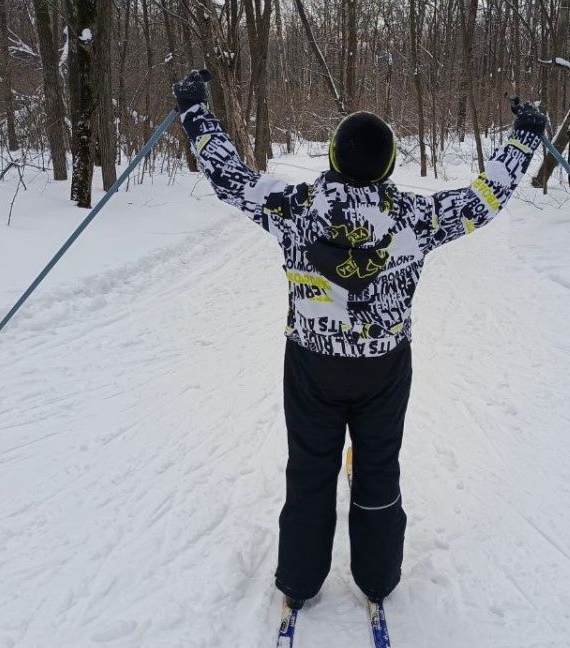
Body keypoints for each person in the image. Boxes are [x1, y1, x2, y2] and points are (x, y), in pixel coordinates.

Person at [172, 70, 547, 609]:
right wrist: (525, 137)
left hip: (311, 364)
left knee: (310, 469)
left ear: (332, 156)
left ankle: (300, 579)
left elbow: (230, 177)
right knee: (377, 464)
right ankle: (377, 577)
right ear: (390, 165)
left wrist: (195, 112)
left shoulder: (295, 208)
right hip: (383, 368)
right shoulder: (417, 217)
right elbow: (485, 198)